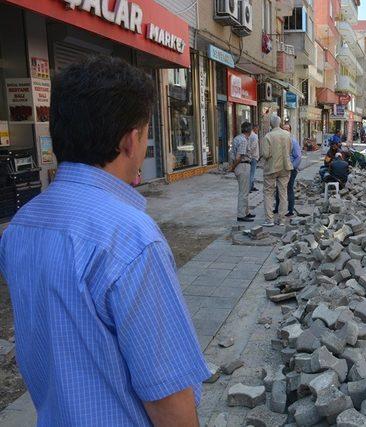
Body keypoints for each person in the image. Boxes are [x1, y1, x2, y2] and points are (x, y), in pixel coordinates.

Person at [0, 56, 210, 425]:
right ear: (131, 140)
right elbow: (169, 399)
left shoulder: (21, 226)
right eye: (146, 134)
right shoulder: (131, 238)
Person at [261, 115, 292, 227]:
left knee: (268, 193)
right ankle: (282, 220)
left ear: (271, 124)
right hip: (285, 166)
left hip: (272, 167)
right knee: (283, 193)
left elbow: (266, 154)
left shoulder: (268, 136)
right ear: (280, 123)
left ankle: (269, 220)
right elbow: (290, 149)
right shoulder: (287, 135)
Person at [230, 121, 255, 222]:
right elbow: (239, 157)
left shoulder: (237, 138)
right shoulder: (243, 140)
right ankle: (241, 215)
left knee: (244, 191)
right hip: (243, 166)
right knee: (243, 192)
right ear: (249, 130)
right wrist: (233, 167)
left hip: (240, 166)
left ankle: (246, 212)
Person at [275, 122, 302, 217]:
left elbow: (298, 157)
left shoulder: (293, 141)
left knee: (289, 188)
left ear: (290, 131)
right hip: (281, 168)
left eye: (287, 129)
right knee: (278, 188)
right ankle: (277, 208)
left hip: (291, 169)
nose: (285, 131)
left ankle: (290, 210)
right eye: (283, 129)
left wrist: (291, 167)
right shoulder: (279, 141)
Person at [248, 124, 260, 192]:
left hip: (250, 157)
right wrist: (251, 154)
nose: (258, 130)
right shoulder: (254, 136)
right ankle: (249, 188)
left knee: (251, 173)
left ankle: (252, 186)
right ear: (254, 128)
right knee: (252, 173)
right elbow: (253, 146)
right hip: (253, 157)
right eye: (257, 128)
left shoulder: (249, 135)